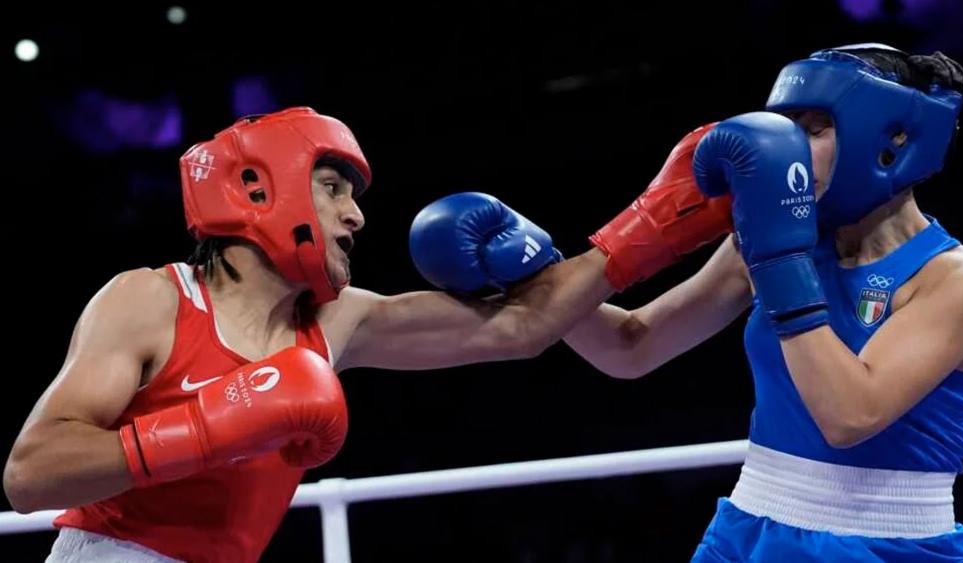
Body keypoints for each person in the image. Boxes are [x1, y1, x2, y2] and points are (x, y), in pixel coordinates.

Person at [3, 106, 732, 562]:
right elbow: (29, 475)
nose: (356, 217)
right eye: (334, 189)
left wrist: (642, 230)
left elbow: (523, 325)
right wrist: (205, 425)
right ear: (262, 188)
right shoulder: (150, 299)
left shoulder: (335, 321)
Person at [564, 44, 963, 561]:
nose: (788, 150)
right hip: (746, 526)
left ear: (891, 140)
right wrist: (538, 278)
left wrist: (778, 261)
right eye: (786, 129)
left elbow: (849, 416)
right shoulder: (771, 242)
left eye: (814, 130)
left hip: (886, 544)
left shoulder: (955, 278)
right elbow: (629, 348)